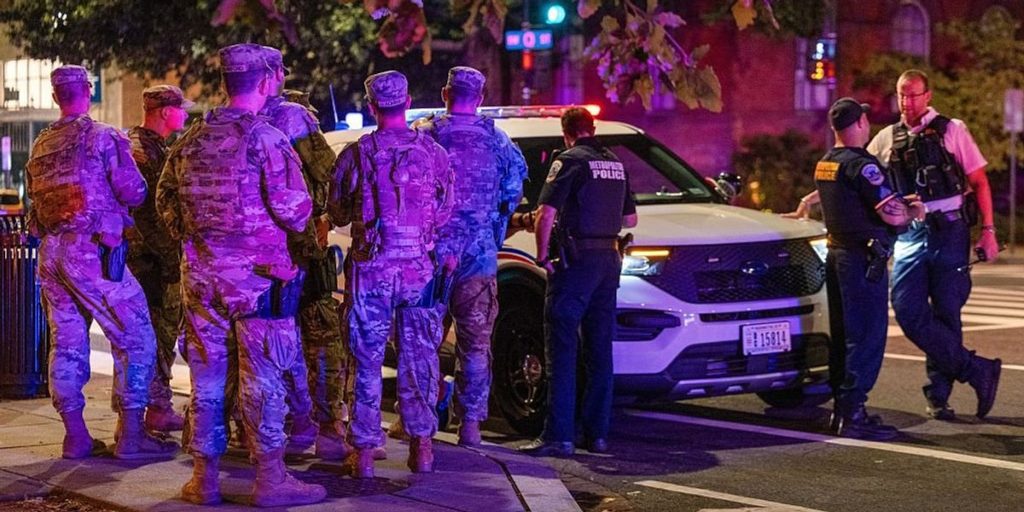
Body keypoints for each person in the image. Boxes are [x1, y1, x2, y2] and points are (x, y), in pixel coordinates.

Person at [157, 43, 325, 507]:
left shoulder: (190, 140)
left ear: (225, 82)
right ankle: (270, 478)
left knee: (207, 378)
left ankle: (203, 479)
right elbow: (296, 211)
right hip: (258, 281)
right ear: (267, 82)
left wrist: (196, 242)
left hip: (202, 278)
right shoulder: (266, 139)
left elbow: (164, 200)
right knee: (263, 377)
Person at [25, 65, 179, 461]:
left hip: (52, 255)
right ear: (88, 92)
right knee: (137, 337)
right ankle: (131, 436)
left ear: (56, 97)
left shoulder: (41, 144)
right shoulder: (103, 136)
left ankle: (75, 436)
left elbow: (34, 206)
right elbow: (134, 190)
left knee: (67, 343)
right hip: (93, 251)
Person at [390, 66, 527, 446]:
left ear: (445, 94)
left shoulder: (425, 137)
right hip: (478, 258)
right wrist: (490, 229)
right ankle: (470, 425)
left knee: (421, 340)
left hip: (431, 257)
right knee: (475, 343)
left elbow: (406, 192)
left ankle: (414, 419)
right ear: (480, 99)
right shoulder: (499, 143)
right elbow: (512, 194)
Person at [328, 70, 454, 477]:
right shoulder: (433, 152)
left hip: (371, 270)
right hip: (418, 271)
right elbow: (446, 209)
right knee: (419, 358)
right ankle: (422, 449)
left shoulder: (357, 154)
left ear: (371, 107)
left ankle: (364, 453)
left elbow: (337, 212)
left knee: (365, 359)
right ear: (408, 103)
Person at [867, 69, 1001, 421]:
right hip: (910, 233)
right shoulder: (886, 138)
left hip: (950, 230)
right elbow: (862, 175)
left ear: (927, 96)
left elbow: (979, 181)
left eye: (913, 95)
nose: (907, 102)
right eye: (901, 94)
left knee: (947, 311)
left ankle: (939, 395)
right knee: (906, 309)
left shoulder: (952, 130)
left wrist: (988, 230)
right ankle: (976, 369)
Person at [520, 107, 637, 456]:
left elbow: (546, 214)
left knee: (562, 348)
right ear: (593, 128)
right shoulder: (615, 162)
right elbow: (630, 219)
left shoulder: (569, 160)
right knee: (600, 351)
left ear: (566, 132)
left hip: (576, 263)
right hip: (608, 261)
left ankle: (559, 437)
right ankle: (597, 435)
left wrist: (542, 255)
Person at [258, 46, 350, 460]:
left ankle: (279, 426)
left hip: (253, 258)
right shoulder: (293, 119)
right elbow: (330, 172)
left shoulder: (233, 122)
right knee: (322, 337)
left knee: (265, 344)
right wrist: (328, 216)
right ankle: (326, 428)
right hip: (300, 249)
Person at [817, 98, 925, 440]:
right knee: (866, 335)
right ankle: (853, 412)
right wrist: (912, 212)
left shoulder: (826, 163)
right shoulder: (862, 165)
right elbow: (889, 213)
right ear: (861, 123)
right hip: (863, 262)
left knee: (844, 334)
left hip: (837, 256)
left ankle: (842, 407)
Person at [125, 85, 193, 433]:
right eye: (180, 109)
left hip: (151, 260)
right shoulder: (142, 152)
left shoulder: (153, 148)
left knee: (156, 338)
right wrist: (170, 259)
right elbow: (145, 214)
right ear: (166, 112)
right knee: (155, 337)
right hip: (149, 263)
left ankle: (154, 407)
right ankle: (155, 409)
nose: (185, 114)